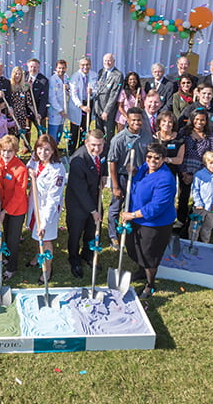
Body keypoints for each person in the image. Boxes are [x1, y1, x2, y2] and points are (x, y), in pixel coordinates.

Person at [119, 142, 177, 299]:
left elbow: (156, 207)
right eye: (149, 157)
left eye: (157, 158)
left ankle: (150, 284)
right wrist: (135, 170)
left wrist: (132, 215)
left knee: (149, 255)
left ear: (164, 159)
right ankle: (141, 271)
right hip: (137, 219)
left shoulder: (166, 179)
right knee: (135, 247)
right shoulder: (145, 168)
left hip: (155, 224)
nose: (152, 160)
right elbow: (141, 175)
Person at [65, 129, 106, 279]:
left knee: (92, 229)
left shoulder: (101, 151)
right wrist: (93, 210)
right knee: (75, 233)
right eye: (93, 145)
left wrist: (104, 174)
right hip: (78, 202)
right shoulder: (78, 161)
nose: (97, 149)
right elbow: (80, 191)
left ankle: (88, 254)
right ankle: (74, 258)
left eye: (100, 145)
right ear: (86, 142)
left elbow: (103, 161)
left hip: (94, 196)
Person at [27, 134, 67, 284]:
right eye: (40, 149)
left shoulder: (57, 170)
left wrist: (44, 222)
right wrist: (31, 171)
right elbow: (30, 166)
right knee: (35, 234)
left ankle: (47, 269)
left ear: (53, 151)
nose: (42, 153)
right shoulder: (36, 160)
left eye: (47, 150)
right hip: (35, 205)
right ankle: (38, 256)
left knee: (46, 238)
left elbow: (53, 198)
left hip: (46, 209)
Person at [107, 108, 150, 248]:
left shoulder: (147, 136)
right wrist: (115, 186)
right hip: (121, 177)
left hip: (139, 178)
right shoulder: (119, 139)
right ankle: (113, 235)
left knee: (134, 205)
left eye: (139, 120)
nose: (137, 122)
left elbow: (149, 158)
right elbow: (112, 162)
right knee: (116, 206)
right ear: (128, 121)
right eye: (134, 120)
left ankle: (129, 232)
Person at [0, 135, 28, 281]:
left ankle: (11, 268)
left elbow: (19, 195)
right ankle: (7, 256)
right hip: (3, 203)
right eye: (4, 151)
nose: (6, 154)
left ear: (15, 151)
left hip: (17, 208)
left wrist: (5, 212)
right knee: (6, 232)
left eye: (10, 151)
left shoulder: (21, 169)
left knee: (13, 238)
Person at [178, 109, 213, 234]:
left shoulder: (211, 137)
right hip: (185, 168)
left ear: (206, 121)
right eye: (196, 119)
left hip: (202, 172)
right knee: (183, 196)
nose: (199, 122)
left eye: (202, 120)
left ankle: (192, 224)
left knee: (199, 199)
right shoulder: (184, 133)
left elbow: (211, 155)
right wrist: (185, 173)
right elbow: (180, 152)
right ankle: (181, 221)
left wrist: (200, 174)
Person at [190, 151, 213, 242]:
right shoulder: (199, 175)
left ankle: (205, 242)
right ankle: (192, 241)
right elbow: (195, 190)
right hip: (201, 207)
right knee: (196, 225)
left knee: (208, 226)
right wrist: (198, 203)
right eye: (211, 163)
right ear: (205, 163)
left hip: (212, 207)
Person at [69, 57, 96, 152]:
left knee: (85, 128)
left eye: (87, 64)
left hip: (88, 103)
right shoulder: (75, 76)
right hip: (78, 105)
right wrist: (81, 106)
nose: (85, 67)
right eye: (83, 65)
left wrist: (92, 92)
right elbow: (73, 94)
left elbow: (97, 89)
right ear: (79, 65)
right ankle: (71, 150)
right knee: (75, 129)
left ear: (90, 65)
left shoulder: (94, 75)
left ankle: (81, 149)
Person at [93, 53, 123, 139]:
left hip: (108, 111)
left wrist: (106, 111)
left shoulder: (118, 75)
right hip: (98, 108)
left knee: (108, 135)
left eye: (109, 60)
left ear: (114, 61)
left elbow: (114, 94)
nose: (107, 62)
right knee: (98, 133)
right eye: (105, 61)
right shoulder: (101, 72)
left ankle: (108, 152)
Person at [8, 65, 35, 148]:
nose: (17, 76)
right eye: (16, 73)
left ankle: (16, 151)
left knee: (19, 134)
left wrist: (35, 112)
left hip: (21, 114)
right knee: (11, 136)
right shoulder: (9, 85)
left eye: (19, 74)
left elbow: (29, 101)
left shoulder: (24, 87)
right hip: (12, 114)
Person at [25, 58, 49, 134]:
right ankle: (26, 146)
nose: (33, 69)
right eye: (31, 67)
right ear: (28, 67)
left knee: (41, 132)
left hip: (38, 111)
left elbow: (44, 99)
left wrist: (40, 113)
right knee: (26, 133)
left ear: (38, 68)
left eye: (35, 67)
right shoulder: (23, 76)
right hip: (26, 110)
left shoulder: (43, 80)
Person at [47, 59, 69, 142]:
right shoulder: (52, 79)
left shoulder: (66, 78)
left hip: (64, 109)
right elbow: (52, 97)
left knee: (60, 131)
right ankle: (52, 149)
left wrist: (67, 89)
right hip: (55, 111)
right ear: (56, 68)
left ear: (66, 68)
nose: (61, 70)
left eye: (63, 68)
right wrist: (60, 110)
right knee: (53, 132)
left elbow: (69, 92)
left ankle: (56, 147)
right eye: (59, 68)